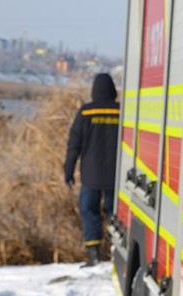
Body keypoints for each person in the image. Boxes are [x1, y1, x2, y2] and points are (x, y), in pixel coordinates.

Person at [64, 73, 120, 267]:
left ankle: (94, 254)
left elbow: (74, 145)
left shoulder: (86, 113)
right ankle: (116, 250)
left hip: (91, 174)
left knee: (89, 211)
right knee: (115, 213)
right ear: (113, 90)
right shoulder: (122, 112)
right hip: (116, 175)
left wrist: (68, 170)